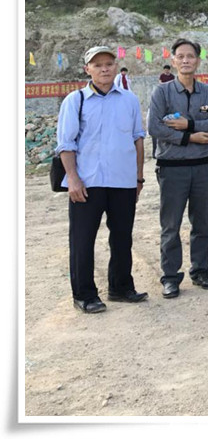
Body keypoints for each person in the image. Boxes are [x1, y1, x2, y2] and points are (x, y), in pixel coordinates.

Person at [56, 46, 147, 313]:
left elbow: (137, 139)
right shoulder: (75, 100)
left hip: (123, 181)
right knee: (83, 240)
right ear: (87, 69)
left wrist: (138, 178)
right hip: (87, 183)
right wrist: (73, 179)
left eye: (109, 63)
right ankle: (84, 295)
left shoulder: (129, 100)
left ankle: (121, 287)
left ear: (116, 66)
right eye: (97, 65)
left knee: (122, 238)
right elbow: (66, 144)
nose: (104, 69)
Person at [148, 38, 208, 298]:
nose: (185, 60)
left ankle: (200, 270)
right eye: (180, 56)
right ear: (173, 61)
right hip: (172, 168)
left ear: (198, 60)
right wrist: (190, 137)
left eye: (190, 56)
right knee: (171, 225)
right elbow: (155, 127)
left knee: (201, 222)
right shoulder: (162, 92)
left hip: (203, 167)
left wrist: (189, 124)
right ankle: (170, 276)